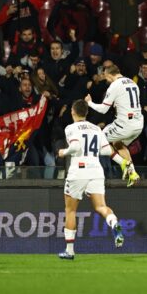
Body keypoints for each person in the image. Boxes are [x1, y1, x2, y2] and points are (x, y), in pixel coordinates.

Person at [57, 99, 124, 260]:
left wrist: (63, 152)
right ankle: (114, 224)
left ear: (73, 111)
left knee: (70, 210)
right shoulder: (95, 128)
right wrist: (124, 163)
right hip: (96, 170)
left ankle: (70, 251)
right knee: (101, 207)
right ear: (86, 113)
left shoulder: (71, 128)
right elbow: (108, 151)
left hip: (78, 171)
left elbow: (75, 147)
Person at [85, 64, 143, 187]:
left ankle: (123, 164)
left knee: (99, 140)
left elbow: (103, 109)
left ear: (110, 75)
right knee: (117, 143)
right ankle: (133, 174)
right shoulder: (132, 82)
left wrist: (90, 103)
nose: (106, 80)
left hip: (125, 125)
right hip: (138, 124)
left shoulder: (114, 85)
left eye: (106, 77)